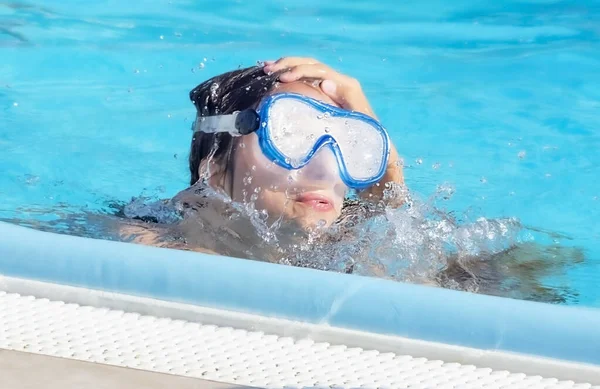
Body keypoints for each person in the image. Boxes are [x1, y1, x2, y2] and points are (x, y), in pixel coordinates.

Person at [121, 57, 406, 256]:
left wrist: (366, 116)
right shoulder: (140, 242)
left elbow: (390, 201)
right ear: (215, 168)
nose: (326, 169)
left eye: (349, 142)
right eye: (291, 136)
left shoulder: (356, 250)